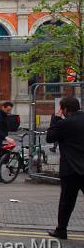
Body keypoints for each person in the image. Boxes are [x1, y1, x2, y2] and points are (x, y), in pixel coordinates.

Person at [46, 97, 84, 239]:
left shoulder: (65, 123)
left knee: (66, 202)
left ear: (65, 109)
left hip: (71, 169)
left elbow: (50, 137)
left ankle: (61, 230)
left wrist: (55, 118)